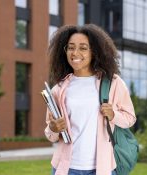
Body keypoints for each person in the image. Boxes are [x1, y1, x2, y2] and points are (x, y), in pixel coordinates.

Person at [44, 24, 136, 175]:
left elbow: (130, 118)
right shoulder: (58, 90)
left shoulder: (113, 83)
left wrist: (113, 115)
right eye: (71, 47)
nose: (75, 53)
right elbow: (50, 133)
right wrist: (53, 128)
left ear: (94, 51)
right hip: (67, 168)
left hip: (102, 168)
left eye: (83, 48)